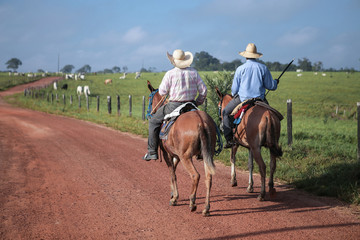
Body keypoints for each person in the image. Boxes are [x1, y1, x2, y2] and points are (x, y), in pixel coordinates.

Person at [143, 49, 208, 161]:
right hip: (191, 105)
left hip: (173, 106)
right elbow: (204, 91)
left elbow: (162, 92)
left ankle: (152, 151)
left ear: (174, 61)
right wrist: (198, 102)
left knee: (153, 121)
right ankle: (203, 149)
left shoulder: (170, 74)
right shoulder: (193, 72)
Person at [222, 43, 279, 148]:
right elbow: (271, 86)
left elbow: (234, 89)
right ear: (256, 55)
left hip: (242, 99)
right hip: (260, 99)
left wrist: (234, 95)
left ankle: (229, 139)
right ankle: (273, 138)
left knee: (225, 112)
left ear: (246, 55)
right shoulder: (263, 68)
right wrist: (275, 82)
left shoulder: (240, 69)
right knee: (272, 115)